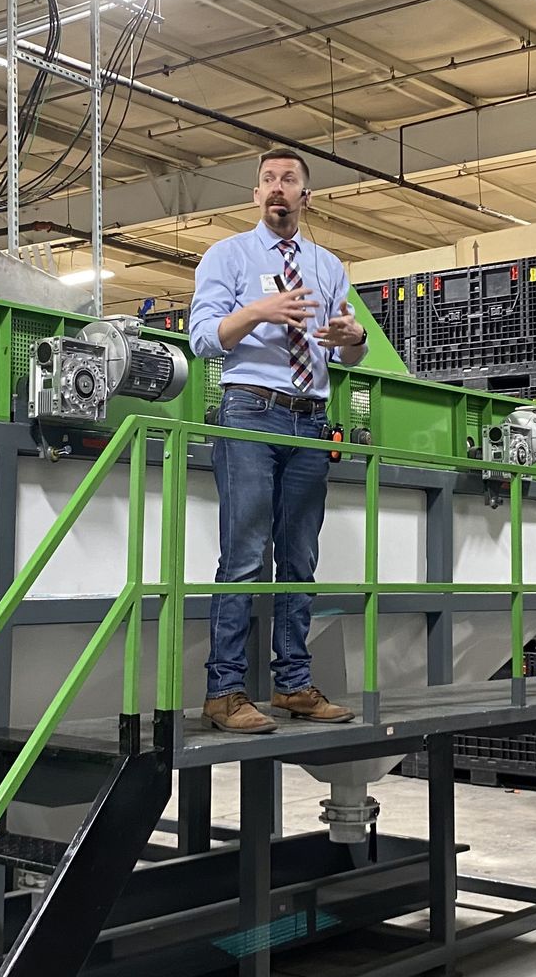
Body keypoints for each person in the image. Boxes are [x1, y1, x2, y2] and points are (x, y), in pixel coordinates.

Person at [188, 148, 367, 734]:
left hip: (310, 418)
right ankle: (225, 692)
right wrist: (258, 310)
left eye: (288, 180)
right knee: (243, 557)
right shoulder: (227, 255)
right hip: (250, 414)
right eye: (267, 180)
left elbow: (349, 349)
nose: (277, 188)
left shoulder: (327, 264)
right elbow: (202, 340)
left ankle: (293, 683)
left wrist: (354, 336)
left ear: (305, 196)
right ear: (255, 195)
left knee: (299, 560)